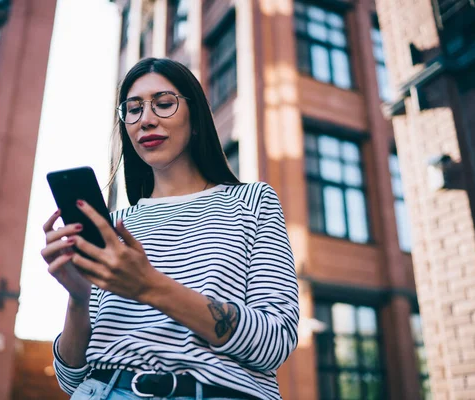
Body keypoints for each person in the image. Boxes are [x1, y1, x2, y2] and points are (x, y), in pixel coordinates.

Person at [41, 57, 299, 400]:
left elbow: (275, 342)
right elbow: (71, 378)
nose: (146, 119)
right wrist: (78, 297)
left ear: (195, 120)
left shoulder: (251, 201)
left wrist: (149, 286)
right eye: (133, 110)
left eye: (163, 104)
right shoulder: (117, 226)